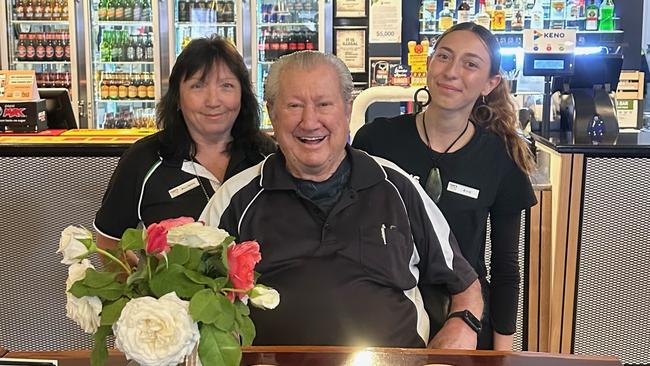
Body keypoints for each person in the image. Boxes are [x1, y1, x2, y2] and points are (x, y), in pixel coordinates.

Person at [201, 50, 483, 349]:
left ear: (347, 109)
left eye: (324, 104)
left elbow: (465, 285)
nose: (310, 122)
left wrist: (463, 326)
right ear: (272, 112)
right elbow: (189, 294)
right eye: (294, 106)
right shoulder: (235, 199)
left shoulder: (396, 186)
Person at [352, 23, 537, 350]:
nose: (451, 71)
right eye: (444, 57)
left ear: (490, 83)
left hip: (463, 318)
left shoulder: (501, 157)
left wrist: (502, 353)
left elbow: (506, 268)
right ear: (429, 64)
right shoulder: (376, 140)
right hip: (385, 316)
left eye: (470, 64)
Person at [94, 36, 275, 249]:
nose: (213, 101)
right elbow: (110, 240)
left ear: (242, 96)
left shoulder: (267, 156)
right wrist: (136, 280)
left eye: (226, 86)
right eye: (197, 86)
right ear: (177, 98)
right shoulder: (144, 159)